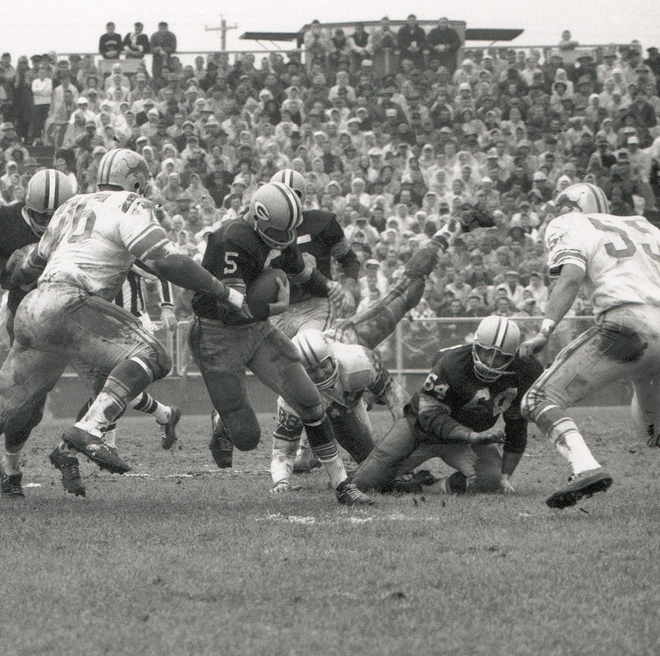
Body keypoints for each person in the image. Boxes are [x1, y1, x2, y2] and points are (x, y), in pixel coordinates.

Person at [0, 149, 246, 509]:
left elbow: (28, 269)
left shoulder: (72, 206)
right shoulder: (131, 204)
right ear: (135, 182)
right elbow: (167, 261)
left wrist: (12, 277)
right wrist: (224, 292)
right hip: (73, 303)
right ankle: (91, 428)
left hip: (34, 307)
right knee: (155, 355)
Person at [0, 168, 179, 499]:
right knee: (28, 403)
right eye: (40, 215)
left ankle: (69, 452)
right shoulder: (2, 221)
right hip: (32, 311)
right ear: (27, 206)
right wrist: (7, 266)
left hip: (84, 312)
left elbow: (156, 260)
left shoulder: (90, 214)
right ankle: (11, 467)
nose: (50, 220)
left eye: (55, 212)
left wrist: (166, 302)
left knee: (111, 386)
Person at [270, 204, 491, 492]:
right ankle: (310, 450)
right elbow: (280, 448)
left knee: (406, 291)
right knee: (373, 466)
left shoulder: (357, 361)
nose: (321, 372)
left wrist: (413, 433)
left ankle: (453, 226)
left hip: (350, 339)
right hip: (335, 402)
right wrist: (282, 482)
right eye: (313, 371)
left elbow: (396, 400)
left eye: (323, 365)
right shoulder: (293, 392)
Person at [189, 182, 374, 505]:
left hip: (257, 327)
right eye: (279, 232)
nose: (286, 240)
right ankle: (223, 425)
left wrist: (330, 288)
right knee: (247, 438)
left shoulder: (279, 233)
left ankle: (342, 484)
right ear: (259, 220)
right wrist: (276, 307)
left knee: (309, 399)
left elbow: (301, 271)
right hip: (217, 333)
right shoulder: (232, 240)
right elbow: (230, 312)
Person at [519, 182, 660, 508]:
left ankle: (585, 467)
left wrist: (544, 331)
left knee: (538, 399)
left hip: (629, 325)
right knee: (651, 434)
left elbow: (569, 276)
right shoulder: (644, 224)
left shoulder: (569, 223)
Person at [351, 315, 538, 496]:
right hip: (421, 430)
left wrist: (504, 477)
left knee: (491, 482)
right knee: (362, 484)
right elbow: (431, 415)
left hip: (469, 438)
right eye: (486, 352)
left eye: (500, 357)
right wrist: (471, 436)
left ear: (512, 357)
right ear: (475, 345)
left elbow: (517, 424)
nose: (490, 362)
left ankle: (426, 486)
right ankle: (363, 473)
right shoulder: (452, 362)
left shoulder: (525, 370)